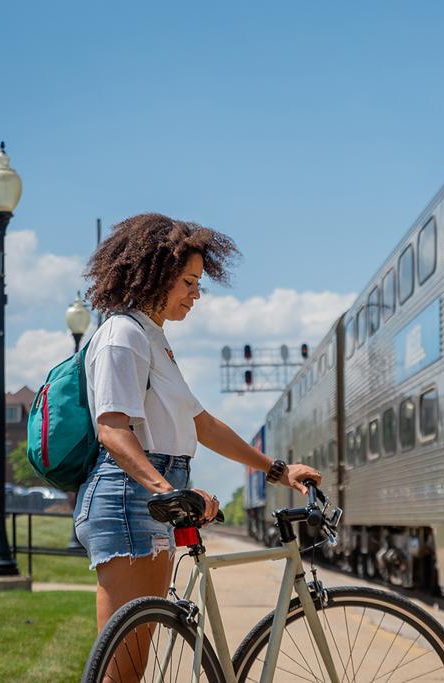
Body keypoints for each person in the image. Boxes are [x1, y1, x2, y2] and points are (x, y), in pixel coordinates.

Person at [74, 213, 320, 637]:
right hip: (130, 500)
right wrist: (170, 492)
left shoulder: (152, 338)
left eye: (198, 283)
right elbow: (112, 430)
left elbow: (202, 424)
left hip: (148, 497)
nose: (196, 294)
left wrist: (278, 471)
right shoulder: (122, 335)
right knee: (123, 666)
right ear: (155, 275)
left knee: (138, 655)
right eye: (188, 282)